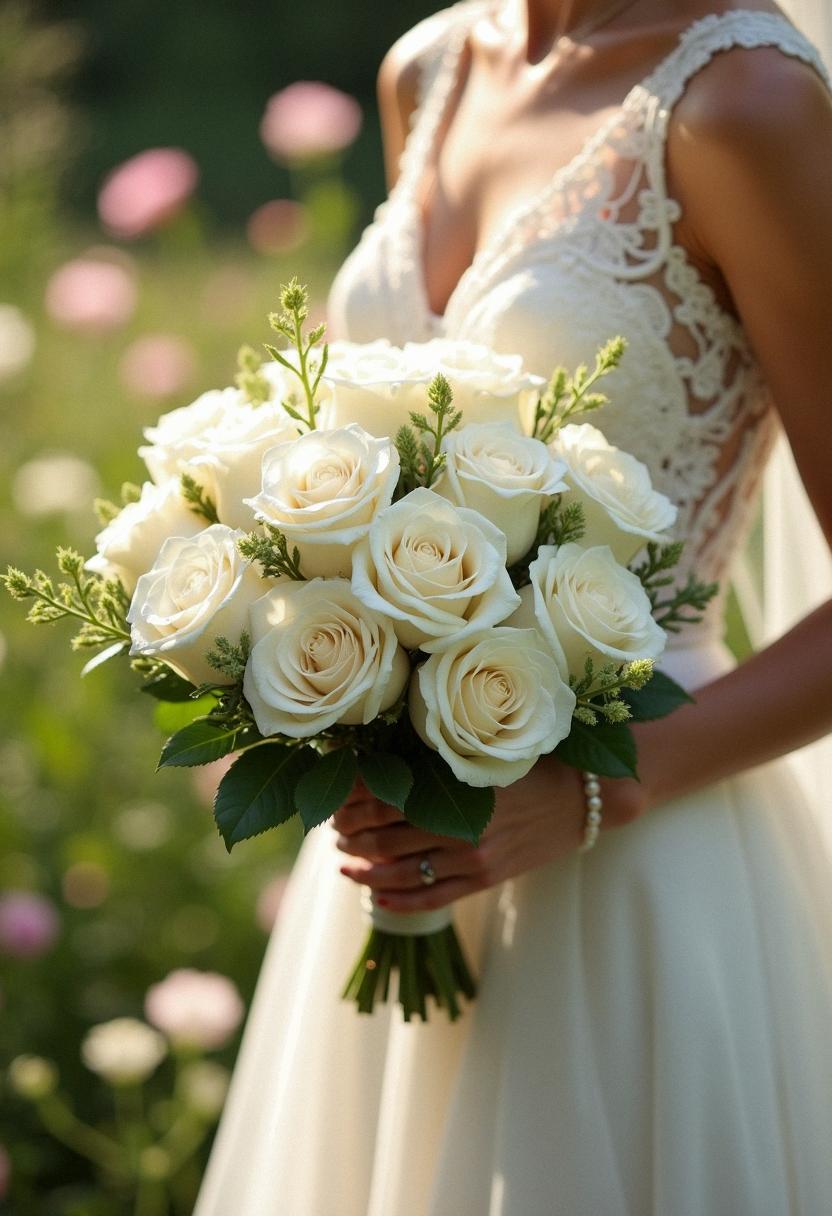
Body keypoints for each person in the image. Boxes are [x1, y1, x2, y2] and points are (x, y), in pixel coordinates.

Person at [196, 1, 832, 1212]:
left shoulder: (743, 103)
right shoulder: (429, 68)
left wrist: (598, 789)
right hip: (404, 847)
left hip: (640, 847)